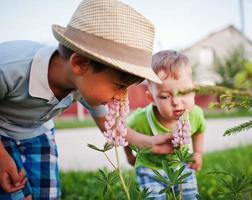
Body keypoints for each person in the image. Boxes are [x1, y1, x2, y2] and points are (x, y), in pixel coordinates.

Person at [0, 0, 174, 199]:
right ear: (80, 64)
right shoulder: (9, 67)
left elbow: (113, 128)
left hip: (38, 133)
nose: (122, 96)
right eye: (119, 86)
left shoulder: (82, 83)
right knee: (15, 194)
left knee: (48, 195)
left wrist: (151, 142)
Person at [124, 50, 206, 199]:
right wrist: (130, 156)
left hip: (182, 165)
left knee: (189, 196)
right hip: (150, 169)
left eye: (183, 92)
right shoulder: (140, 119)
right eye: (165, 96)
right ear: (151, 98)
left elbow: (200, 129)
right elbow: (124, 134)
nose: (176, 101)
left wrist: (198, 152)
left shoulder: (195, 114)